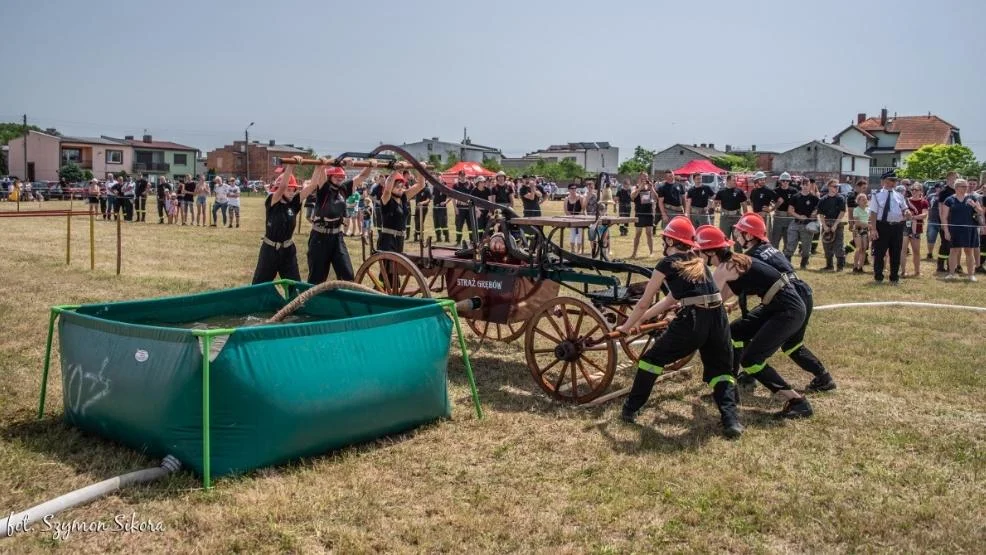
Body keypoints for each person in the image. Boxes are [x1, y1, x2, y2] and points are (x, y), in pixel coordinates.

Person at [616, 217, 742, 438]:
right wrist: (640, 321)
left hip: (693, 319)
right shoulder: (696, 261)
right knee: (721, 370)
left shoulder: (666, 264)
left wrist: (625, 327)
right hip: (717, 317)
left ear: (669, 241)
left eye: (665, 240)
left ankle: (630, 409)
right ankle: (731, 421)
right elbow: (669, 301)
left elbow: (644, 301)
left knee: (650, 361)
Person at [694, 225, 815, 418]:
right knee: (735, 332)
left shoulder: (726, 267)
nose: (697, 255)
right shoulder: (734, 263)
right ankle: (729, 389)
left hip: (787, 310)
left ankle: (797, 402)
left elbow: (708, 298)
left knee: (751, 360)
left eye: (699, 251)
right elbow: (718, 300)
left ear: (710, 251)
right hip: (778, 306)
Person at [731, 213, 836, 393]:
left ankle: (748, 374)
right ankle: (823, 377)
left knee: (741, 332)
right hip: (802, 293)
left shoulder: (750, 256)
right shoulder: (770, 249)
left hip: (785, 299)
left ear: (749, 236)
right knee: (792, 344)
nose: (736, 236)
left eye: (739, 232)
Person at [308, 160, 373, 283]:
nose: (340, 178)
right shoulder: (324, 188)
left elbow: (362, 176)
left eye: (341, 176)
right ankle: (312, 301)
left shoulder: (343, 189)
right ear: (330, 176)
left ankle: (346, 301)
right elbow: (321, 169)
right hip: (320, 238)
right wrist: (325, 164)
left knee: (347, 275)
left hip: (337, 237)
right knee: (317, 278)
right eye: (336, 176)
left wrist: (370, 164)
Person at [252, 166, 312, 284]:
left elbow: (313, 185)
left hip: (288, 250)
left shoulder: (293, 204)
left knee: (294, 286)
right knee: (260, 285)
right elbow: (282, 187)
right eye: (288, 189)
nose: (291, 192)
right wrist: (290, 167)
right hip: (270, 250)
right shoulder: (272, 201)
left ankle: (295, 303)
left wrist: (321, 167)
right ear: (278, 188)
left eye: (293, 190)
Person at [868, 170, 912, 285]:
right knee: (879, 253)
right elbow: (873, 213)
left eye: (895, 181)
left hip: (897, 227)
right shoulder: (877, 194)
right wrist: (873, 229)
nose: (893, 183)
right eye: (891, 180)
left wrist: (907, 212)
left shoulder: (899, 195)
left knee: (896, 252)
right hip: (882, 226)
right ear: (883, 181)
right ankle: (878, 277)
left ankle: (894, 277)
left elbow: (904, 208)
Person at [942, 179, 984, 281]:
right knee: (953, 251)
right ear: (956, 188)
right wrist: (946, 231)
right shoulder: (949, 200)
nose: (967, 188)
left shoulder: (972, 197)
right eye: (963, 186)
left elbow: (981, 212)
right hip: (954, 230)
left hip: (969, 229)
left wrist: (974, 206)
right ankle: (951, 273)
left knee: (969, 251)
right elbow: (944, 217)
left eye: (966, 186)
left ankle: (971, 275)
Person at [785, 179, 821, 269]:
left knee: (806, 247)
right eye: (803, 184)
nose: (805, 186)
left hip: (808, 225)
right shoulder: (795, 196)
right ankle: (787, 265)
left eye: (807, 184)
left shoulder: (814, 198)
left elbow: (819, 208)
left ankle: (803, 265)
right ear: (801, 185)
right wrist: (799, 216)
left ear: (810, 186)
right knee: (790, 244)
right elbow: (790, 210)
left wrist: (815, 213)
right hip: (795, 223)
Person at [817, 179, 847, 271]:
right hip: (826, 222)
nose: (836, 188)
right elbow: (821, 214)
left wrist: (835, 225)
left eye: (837, 186)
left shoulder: (840, 198)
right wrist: (825, 226)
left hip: (837, 223)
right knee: (827, 245)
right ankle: (829, 266)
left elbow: (842, 212)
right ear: (829, 187)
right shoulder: (823, 199)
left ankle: (840, 267)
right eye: (834, 186)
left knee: (838, 245)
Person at [714, 174, 749, 251]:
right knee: (724, 239)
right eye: (733, 180)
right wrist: (715, 206)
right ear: (728, 181)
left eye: (735, 180)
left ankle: (739, 259)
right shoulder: (721, 192)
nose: (735, 182)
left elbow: (744, 205)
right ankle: (726, 258)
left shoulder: (739, 191)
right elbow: (716, 202)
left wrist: (745, 217)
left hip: (736, 217)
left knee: (738, 239)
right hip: (725, 218)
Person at [902, 182, 929, 278]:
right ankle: (902, 271)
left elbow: (924, 215)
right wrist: (907, 217)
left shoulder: (924, 202)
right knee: (903, 250)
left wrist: (912, 217)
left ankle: (917, 271)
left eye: (916, 189)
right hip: (904, 228)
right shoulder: (905, 201)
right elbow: (902, 214)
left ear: (920, 191)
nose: (913, 191)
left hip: (917, 229)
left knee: (916, 251)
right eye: (912, 189)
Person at [936, 171, 960, 273]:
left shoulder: (959, 191)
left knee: (955, 245)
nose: (956, 179)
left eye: (957, 178)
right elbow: (940, 209)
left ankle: (953, 266)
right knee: (945, 244)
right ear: (949, 178)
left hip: (957, 222)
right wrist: (942, 223)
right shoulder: (944, 192)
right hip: (946, 221)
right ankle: (941, 266)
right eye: (954, 178)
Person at [769, 172, 797, 253]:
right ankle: (774, 257)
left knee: (788, 239)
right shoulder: (775, 190)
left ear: (789, 181)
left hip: (790, 217)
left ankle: (786, 258)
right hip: (778, 217)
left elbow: (798, 202)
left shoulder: (794, 191)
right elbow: (770, 202)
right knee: (775, 239)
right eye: (783, 180)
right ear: (780, 181)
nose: (785, 182)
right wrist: (772, 208)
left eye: (787, 181)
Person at [630, 173, 655, 258]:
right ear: (639, 178)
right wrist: (640, 188)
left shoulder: (650, 187)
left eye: (646, 177)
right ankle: (634, 253)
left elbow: (656, 198)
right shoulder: (635, 187)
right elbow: (632, 197)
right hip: (639, 213)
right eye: (643, 177)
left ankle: (651, 252)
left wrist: (652, 188)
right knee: (638, 233)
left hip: (649, 213)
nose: (645, 178)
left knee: (649, 233)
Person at [748, 172, 776, 240]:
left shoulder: (768, 190)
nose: (763, 181)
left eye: (764, 179)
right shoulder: (754, 191)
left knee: (765, 235)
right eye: (761, 180)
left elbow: (779, 201)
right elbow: (751, 201)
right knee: (756, 235)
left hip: (764, 216)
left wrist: (770, 209)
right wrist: (754, 211)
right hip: (756, 216)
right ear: (756, 181)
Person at [452, 171, 474, 247]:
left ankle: (472, 241)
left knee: (471, 226)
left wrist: (468, 202)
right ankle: (458, 241)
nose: (462, 177)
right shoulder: (455, 185)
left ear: (465, 175)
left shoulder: (470, 184)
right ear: (459, 176)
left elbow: (474, 196)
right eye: (461, 175)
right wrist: (455, 208)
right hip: (460, 208)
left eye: (463, 175)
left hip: (469, 208)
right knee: (459, 225)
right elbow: (453, 197)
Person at [851, 193, 870, 273]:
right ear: (858, 201)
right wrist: (868, 224)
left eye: (865, 199)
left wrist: (868, 225)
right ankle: (855, 266)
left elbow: (870, 220)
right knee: (859, 248)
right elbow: (857, 222)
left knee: (864, 249)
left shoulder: (868, 210)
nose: (865, 201)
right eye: (862, 199)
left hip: (865, 231)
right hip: (857, 230)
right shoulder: (856, 210)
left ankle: (860, 267)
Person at [563, 183, 585, 252]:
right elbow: (566, 210)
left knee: (579, 234)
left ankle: (579, 249)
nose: (574, 190)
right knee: (572, 233)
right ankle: (572, 249)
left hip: (580, 219)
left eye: (575, 188)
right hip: (571, 219)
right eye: (572, 188)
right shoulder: (566, 199)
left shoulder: (580, 197)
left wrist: (578, 216)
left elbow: (583, 208)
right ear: (569, 189)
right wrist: (571, 217)